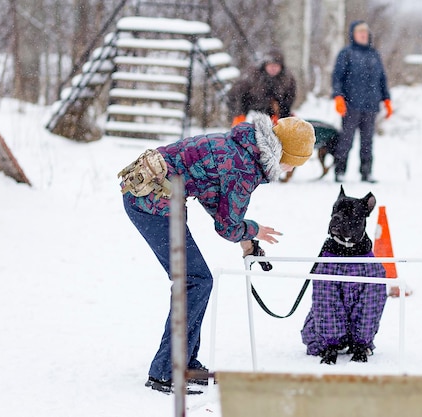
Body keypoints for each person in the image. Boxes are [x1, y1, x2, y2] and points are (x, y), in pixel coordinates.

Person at [119, 114, 316, 394]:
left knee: (196, 280)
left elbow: (217, 200)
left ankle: (183, 362)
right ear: (285, 156)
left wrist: (246, 238)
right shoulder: (245, 168)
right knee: (196, 281)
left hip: (149, 191)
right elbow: (226, 226)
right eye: (292, 165)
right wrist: (253, 230)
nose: (288, 171)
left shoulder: (243, 145)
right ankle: (166, 371)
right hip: (149, 200)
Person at [331, 20, 392, 183]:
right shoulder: (346, 53)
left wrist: (387, 99)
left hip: (371, 105)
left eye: (365, 31)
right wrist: (338, 97)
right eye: (359, 31)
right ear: (353, 34)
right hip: (351, 105)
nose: (363, 34)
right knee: (346, 140)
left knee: (367, 142)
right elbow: (337, 77)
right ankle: (340, 170)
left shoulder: (374, 54)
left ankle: (366, 172)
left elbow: (382, 79)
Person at [227, 48, 297, 127]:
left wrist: (283, 115)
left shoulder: (287, 79)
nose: (273, 68)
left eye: (276, 65)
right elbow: (237, 95)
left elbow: (288, 101)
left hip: (274, 112)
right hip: (250, 108)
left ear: (281, 67)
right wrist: (240, 114)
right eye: (270, 65)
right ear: (265, 65)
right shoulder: (252, 76)